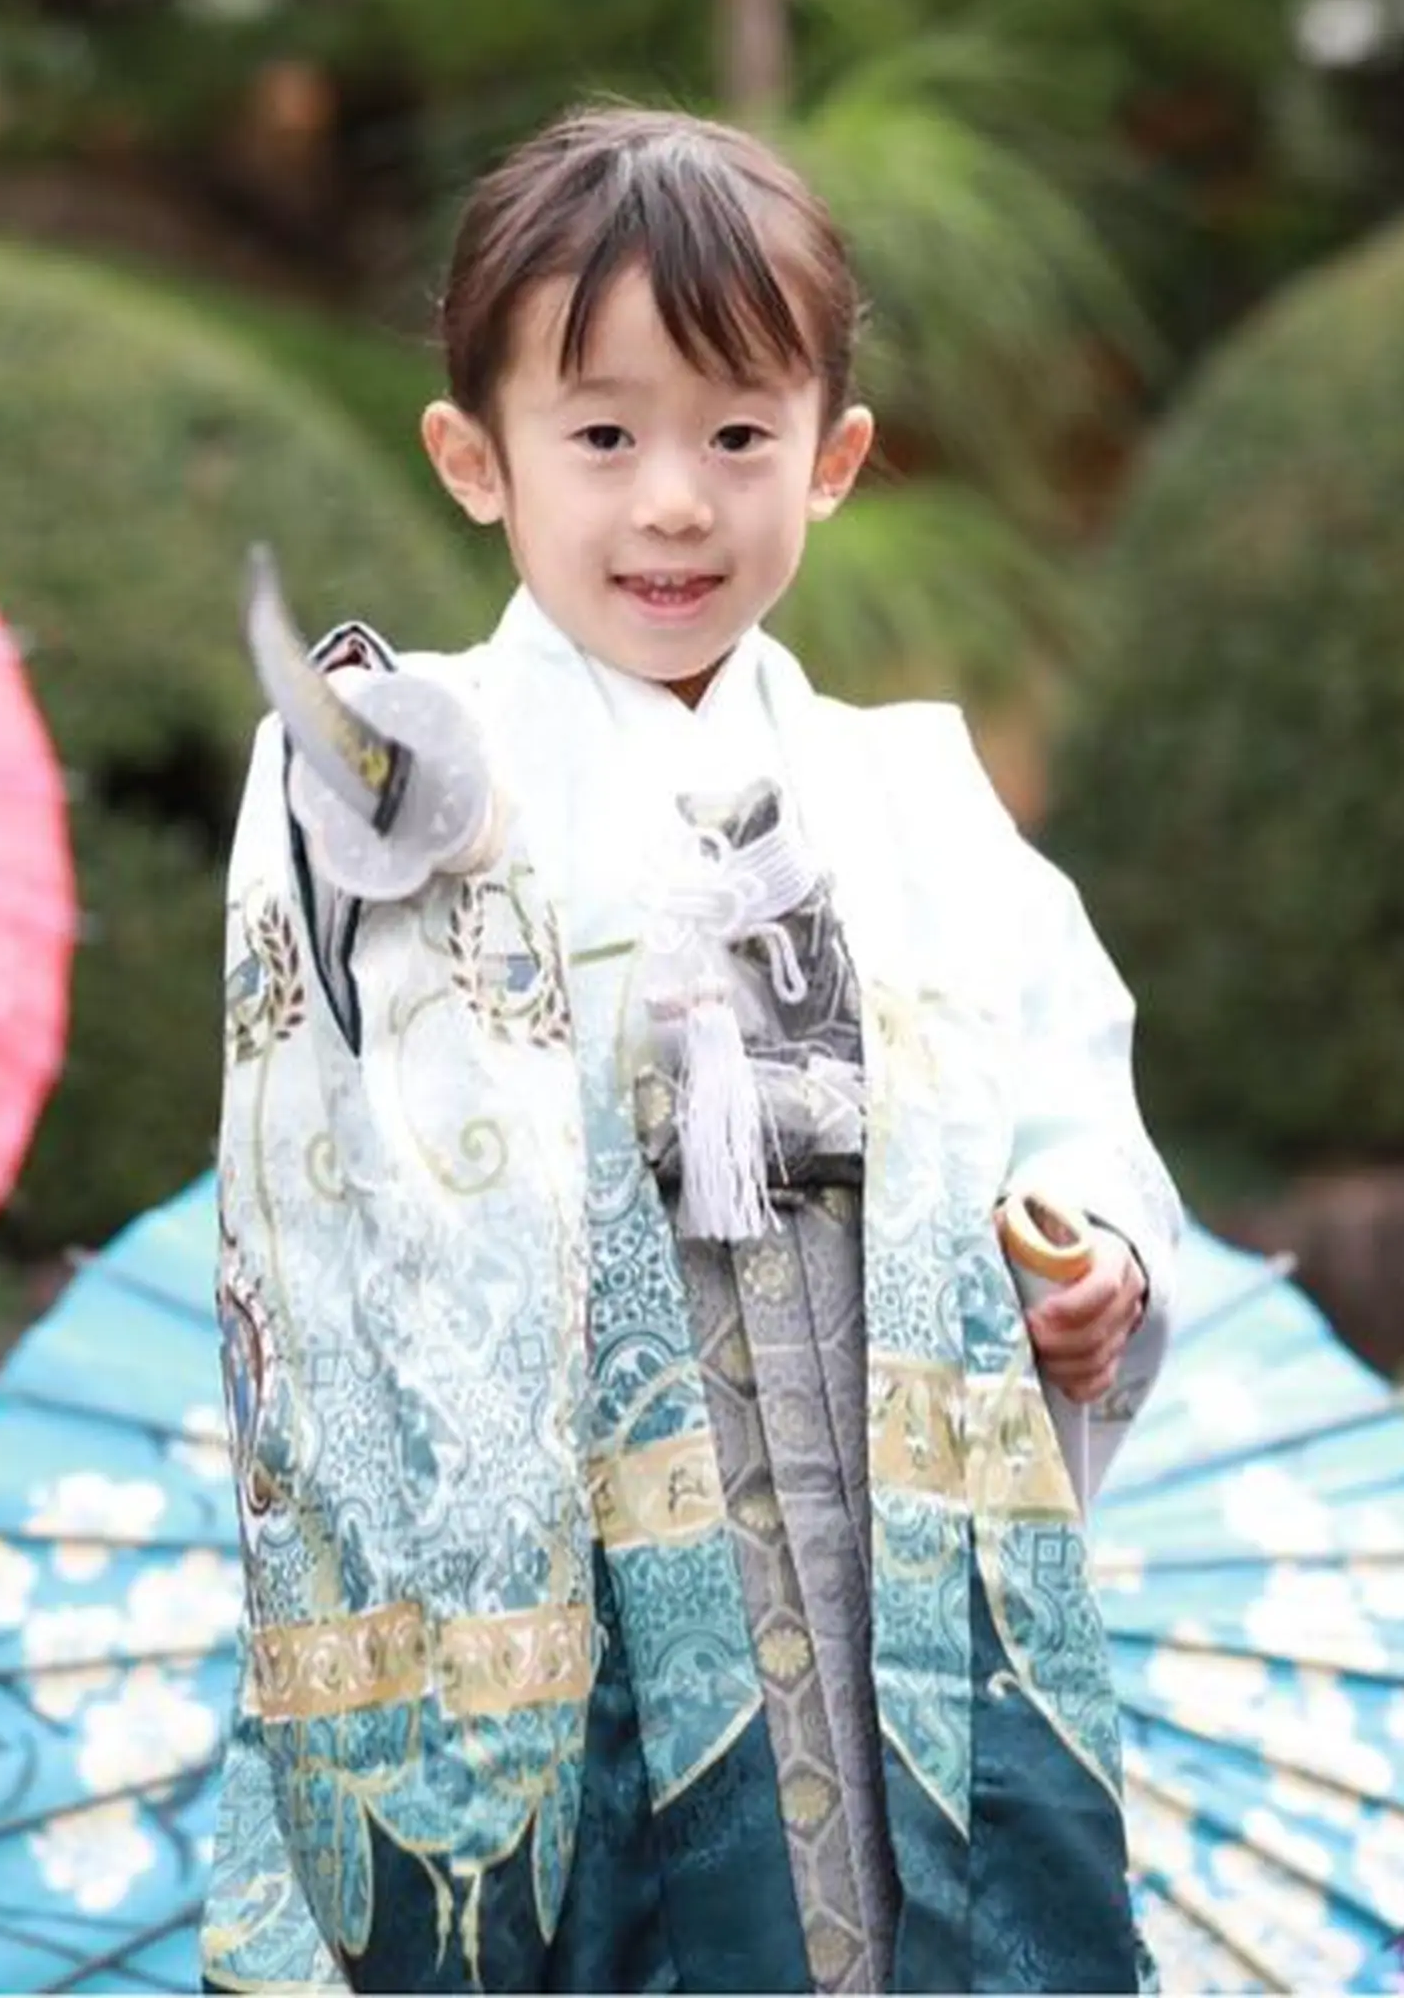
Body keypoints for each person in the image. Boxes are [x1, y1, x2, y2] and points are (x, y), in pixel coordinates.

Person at [202, 105, 1181, 1994]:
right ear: (474, 461)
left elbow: (1067, 1062)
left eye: (740, 434)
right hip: (584, 1556)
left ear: (837, 460)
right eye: (603, 435)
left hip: (876, 1512)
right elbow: (338, 1156)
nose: (674, 500)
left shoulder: (911, 788)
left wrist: (1089, 1249)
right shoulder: (412, 779)